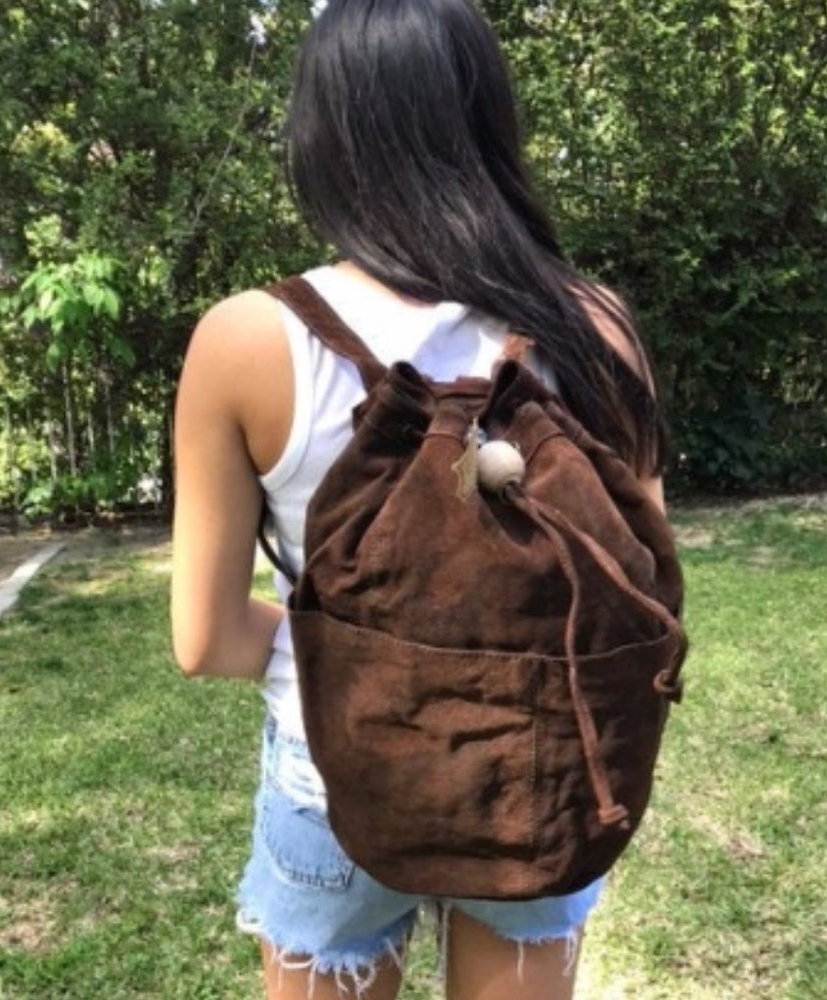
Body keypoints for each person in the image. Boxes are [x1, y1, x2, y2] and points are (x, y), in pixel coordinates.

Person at [171, 2, 669, 997]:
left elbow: (207, 640)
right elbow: (639, 588)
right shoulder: (596, 329)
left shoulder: (246, 342)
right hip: (542, 776)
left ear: (324, 135)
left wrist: (376, 646)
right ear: (488, 120)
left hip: (335, 774)